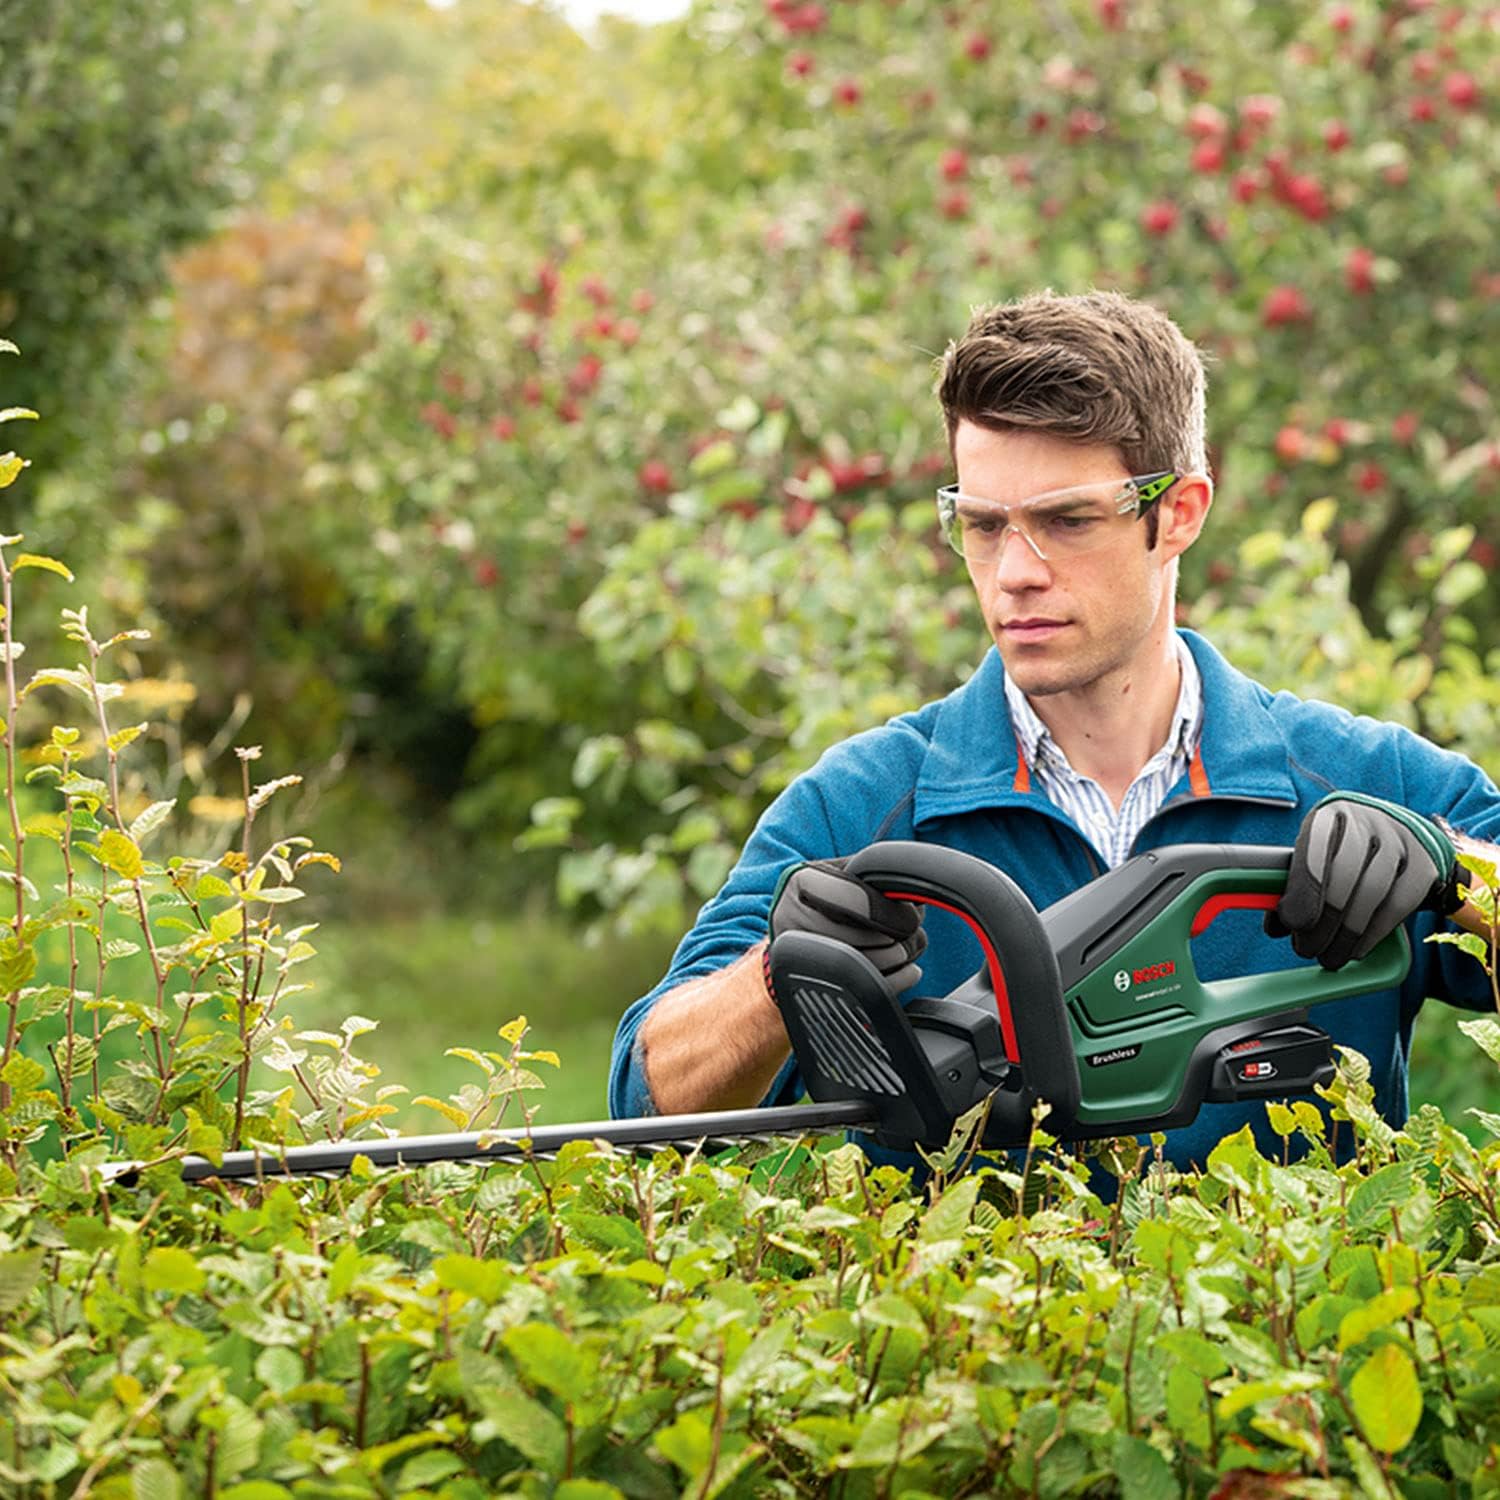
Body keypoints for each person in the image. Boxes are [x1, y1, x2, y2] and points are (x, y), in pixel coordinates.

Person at [608, 288, 1500, 1174]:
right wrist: (780, 975)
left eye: (1067, 521)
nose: (1014, 575)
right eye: (984, 526)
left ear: (1178, 513)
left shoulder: (1367, 776)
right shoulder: (864, 805)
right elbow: (647, 1099)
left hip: (1291, 1312)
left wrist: (1453, 870)